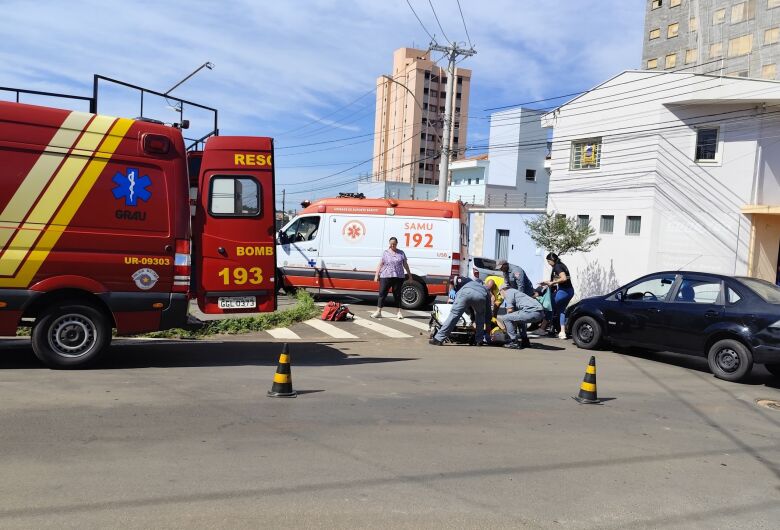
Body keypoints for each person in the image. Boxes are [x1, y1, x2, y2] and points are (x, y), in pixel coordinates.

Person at [429, 276, 491, 346]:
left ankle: (438, 339)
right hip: (480, 296)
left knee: (454, 316)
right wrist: (488, 328)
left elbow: (453, 280)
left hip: (465, 293)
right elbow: (488, 312)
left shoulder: (469, 282)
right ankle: (479, 341)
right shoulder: (485, 289)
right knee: (480, 317)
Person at [371, 237, 412, 319]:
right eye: (391, 244)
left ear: (397, 244)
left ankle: (399, 312)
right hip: (385, 276)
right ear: (389, 243)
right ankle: (378, 311)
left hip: (398, 276)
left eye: (394, 244)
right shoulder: (385, 253)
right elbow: (380, 264)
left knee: (397, 294)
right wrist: (376, 275)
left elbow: (405, 265)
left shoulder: (401, 253)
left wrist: (410, 275)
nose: (392, 245)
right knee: (382, 293)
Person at [497, 284, 545, 349]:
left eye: (500, 293)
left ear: (502, 290)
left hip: (532, 311)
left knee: (506, 318)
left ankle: (513, 341)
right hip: (540, 313)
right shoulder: (517, 293)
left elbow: (510, 310)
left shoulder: (508, 293)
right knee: (518, 319)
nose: (501, 295)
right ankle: (525, 341)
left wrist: (508, 328)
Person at [541, 252, 575, 338]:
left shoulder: (557, 266)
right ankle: (562, 332)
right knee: (561, 310)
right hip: (570, 291)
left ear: (552, 260)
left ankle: (542, 329)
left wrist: (553, 282)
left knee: (549, 306)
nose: (548, 263)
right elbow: (561, 279)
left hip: (563, 291)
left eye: (548, 261)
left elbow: (563, 278)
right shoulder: (562, 265)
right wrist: (547, 282)